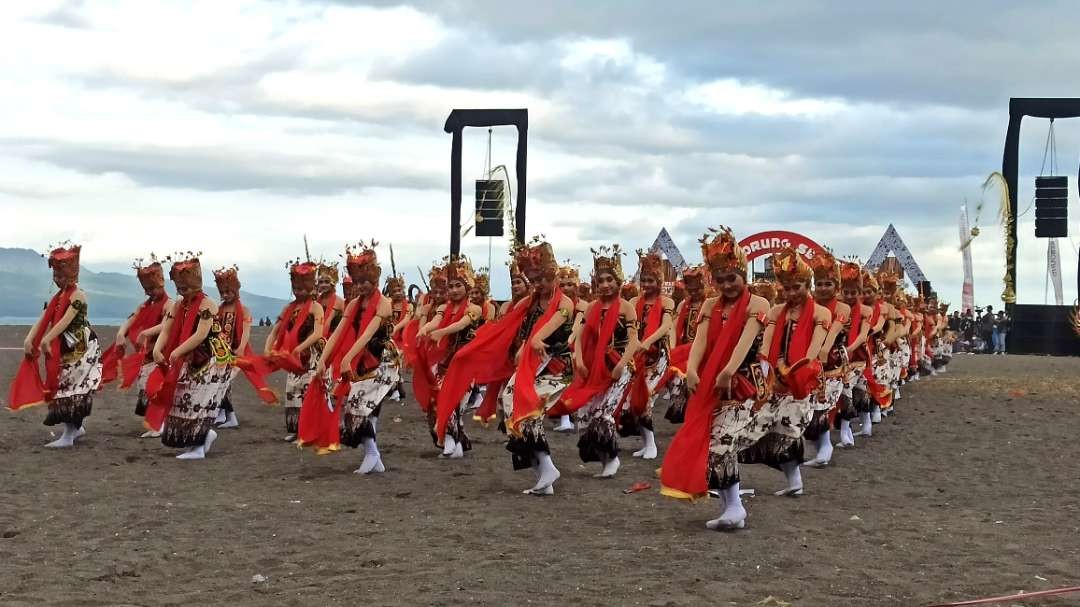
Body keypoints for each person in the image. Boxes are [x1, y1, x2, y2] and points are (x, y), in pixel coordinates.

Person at [433, 237, 574, 495]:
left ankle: (547, 467)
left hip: (556, 367)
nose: (540, 284)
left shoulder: (565, 303)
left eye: (544, 277)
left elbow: (549, 326)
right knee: (510, 406)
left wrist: (536, 340)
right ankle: (545, 475)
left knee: (529, 413)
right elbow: (505, 324)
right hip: (528, 366)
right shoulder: (528, 302)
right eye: (535, 279)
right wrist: (480, 343)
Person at [660, 227, 771, 530]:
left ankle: (735, 507)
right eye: (719, 280)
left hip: (745, 386)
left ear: (743, 274)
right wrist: (693, 370)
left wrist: (727, 371)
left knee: (721, 444)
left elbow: (746, 341)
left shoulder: (758, 304)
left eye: (731, 278)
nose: (726, 285)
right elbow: (699, 342)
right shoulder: (711, 306)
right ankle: (729, 507)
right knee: (712, 445)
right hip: (715, 385)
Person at [738, 247, 830, 497]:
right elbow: (766, 344)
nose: (791, 293)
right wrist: (770, 370)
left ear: (807, 285)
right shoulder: (777, 311)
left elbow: (813, 350)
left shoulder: (821, 313)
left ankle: (796, 479)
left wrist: (794, 370)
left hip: (803, 380)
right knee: (754, 426)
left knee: (787, 431)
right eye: (787, 288)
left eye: (797, 287)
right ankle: (735, 486)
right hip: (774, 381)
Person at [309, 241, 400, 473]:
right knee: (355, 407)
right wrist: (322, 362)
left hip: (382, 361)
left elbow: (368, 334)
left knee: (356, 407)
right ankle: (375, 459)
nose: (360, 286)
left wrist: (346, 359)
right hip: (361, 358)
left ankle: (372, 454)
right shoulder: (353, 305)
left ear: (376, 279)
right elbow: (338, 334)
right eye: (357, 282)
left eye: (365, 282)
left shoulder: (385, 304)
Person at [549, 245, 638, 478]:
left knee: (604, 414)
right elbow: (579, 335)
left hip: (619, 366)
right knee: (586, 415)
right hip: (593, 368)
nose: (606, 284)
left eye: (610, 279)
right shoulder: (591, 308)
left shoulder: (627, 308)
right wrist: (578, 358)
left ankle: (613, 459)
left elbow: (634, 342)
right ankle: (605, 459)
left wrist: (621, 365)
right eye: (601, 281)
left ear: (618, 281)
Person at [9, 243, 103, 448]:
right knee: (64, 386)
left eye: (61, 276)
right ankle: (76, 429)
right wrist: (29, 338)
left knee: (71, 389)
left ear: (72, 275)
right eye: (56, 276)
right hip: (65, 348)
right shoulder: (56, 298)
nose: (58, 280)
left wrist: (46, 339)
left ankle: (69, 435)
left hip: (81, 348)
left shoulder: (78, 295)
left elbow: (65, 321)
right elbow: (44, 317)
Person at [146, 255, 232, 459]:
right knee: (182, 399)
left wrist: (177, 351)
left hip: (211, 357)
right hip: (188, 355)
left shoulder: (208, 304)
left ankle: (199, 448)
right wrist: (158, 348)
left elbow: (201, 334)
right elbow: (166, 329)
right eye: (180, 289)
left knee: (198, 400)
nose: (183, 292)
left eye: (186, 288)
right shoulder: (179, 305)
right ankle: (202, 437)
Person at [416, 257, 483, 458]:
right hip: (446, 363)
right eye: (451, 286)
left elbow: (461, 325)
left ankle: (454, 445)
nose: (453, 290)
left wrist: (442, 332)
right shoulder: (444, 307)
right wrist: (424, 329)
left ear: (467, 286)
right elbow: (434, 322)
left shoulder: (475, 308)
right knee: (439, 402)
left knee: (454, 403)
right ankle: (454, 444)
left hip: (465, 362)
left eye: (458, 286)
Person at [99, 257, 170, 438]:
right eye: (147, 289)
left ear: (162, 284)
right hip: (146, 356)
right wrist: (121, 334)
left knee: (157, 389)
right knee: (146, 388)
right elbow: (130, 320)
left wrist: (146, 332)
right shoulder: (144, 306)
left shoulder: (170, 305)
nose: (150, 292)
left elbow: (169, 324)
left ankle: (161, 425)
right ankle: (157, 424)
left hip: (162, 353)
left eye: (153, 288)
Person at [620, 249, 675, 460]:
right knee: (634, 399)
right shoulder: (634, 303)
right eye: (644, 280)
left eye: (651, 280)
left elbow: (667, 325)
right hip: (638, 357)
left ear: (659, 281)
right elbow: (630, 328)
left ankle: (651, 444)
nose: (647, 284)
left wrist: (648, 342)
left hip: (659, 357)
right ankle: (646, 443)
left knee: (646, 398)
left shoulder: (667, 302)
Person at [263, 261, 325, 442]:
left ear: (311, 288)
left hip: (311, 356)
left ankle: (311, 430)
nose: (299, 293)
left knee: (309, 392)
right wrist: (268, 348)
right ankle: (296, 429)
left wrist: (300, 347)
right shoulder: (288, 309)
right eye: (296, 289)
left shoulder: (316, 307)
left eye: (303, 289)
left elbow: (318, 332)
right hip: (292, 358)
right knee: (292, 392)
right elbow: (275, 330)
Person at [802, 251, 849, 468]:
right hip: (809, 360)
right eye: (819, 283)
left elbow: (833, 330)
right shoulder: (808, 306)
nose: (822, 288)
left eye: (827, 283)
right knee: (808, 407)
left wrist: (822, 352)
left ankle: (826, 446)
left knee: (822, 405)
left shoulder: (843, 308)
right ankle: (822, 446)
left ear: (836, 287)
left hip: (831, 362)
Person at [660, 263, 709, 424]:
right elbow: (673, 328)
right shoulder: (683, 305)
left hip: (706, 353)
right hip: (686, 352)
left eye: (697, 289)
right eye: (691, 290)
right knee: (677, 380)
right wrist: (672, 349)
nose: (694, 293)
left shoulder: (711, 303)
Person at [212, 265, 253, 429]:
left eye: (228, 292)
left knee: (224, 383)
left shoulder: (243, 310)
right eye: (222, 293)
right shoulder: (218, 309)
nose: (225, 295)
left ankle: (222, 414)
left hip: (235, 353)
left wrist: (241, 347)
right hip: (220, 353)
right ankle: (229, 417)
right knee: (220, 383)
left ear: (236, 291)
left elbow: (246, 331)